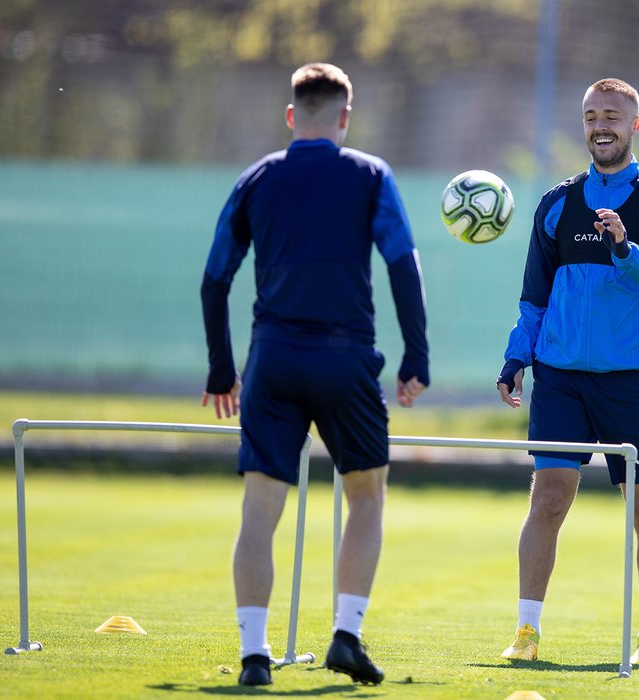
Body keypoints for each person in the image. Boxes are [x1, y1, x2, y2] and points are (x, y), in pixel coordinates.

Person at [201, 62, 429, 687]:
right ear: (345, 118)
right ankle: (346, 635)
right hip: (344, 358)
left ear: (291, 115)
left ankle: (254, 656)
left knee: (259, 511)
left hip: (271, 358)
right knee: (365, 497)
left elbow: (215, 277)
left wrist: (223, 370)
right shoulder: (369, 174)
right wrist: (417, 359)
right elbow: (403, 266)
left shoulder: (257, 178)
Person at [496, 78, 639, 666]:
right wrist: (516, 359)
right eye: (589, 116)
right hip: (560, 379)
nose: (599, 125)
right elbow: (534, 299)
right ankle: (527, 632)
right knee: (548, 498)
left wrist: (625, 249)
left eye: (611, 115)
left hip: (630, 381)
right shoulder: (557, 204)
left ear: (635, 124)